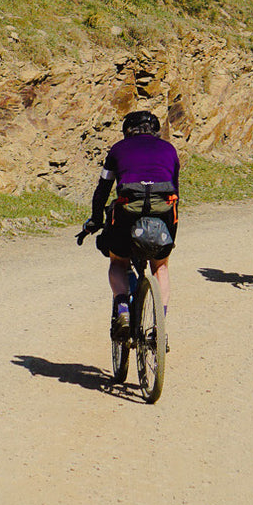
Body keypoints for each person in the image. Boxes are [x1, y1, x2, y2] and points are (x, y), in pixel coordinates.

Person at [80, 109, 180, 339]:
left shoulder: (117, 149)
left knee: (118, 261)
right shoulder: (169, 149)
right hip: (164, 209)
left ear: (127, 130)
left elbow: (103, 189)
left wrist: (96, 219)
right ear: (155, 130)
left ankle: (123, 307)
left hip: (127, 209)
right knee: (161, 267)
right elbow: (175, 191)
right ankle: (159, 326)